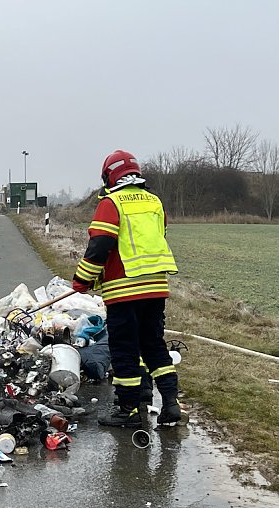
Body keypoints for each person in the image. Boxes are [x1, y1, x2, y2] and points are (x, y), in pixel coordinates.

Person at [71, 150, 181, 429]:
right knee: (154, 345)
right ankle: (170, 404)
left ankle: (128, 410)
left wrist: (83, 280)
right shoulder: (154, 202)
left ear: (109, 176)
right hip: (155, 288)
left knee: (124, 351)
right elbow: (149, 243)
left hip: (124, 291)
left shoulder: (112, 203)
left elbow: (100, 246)